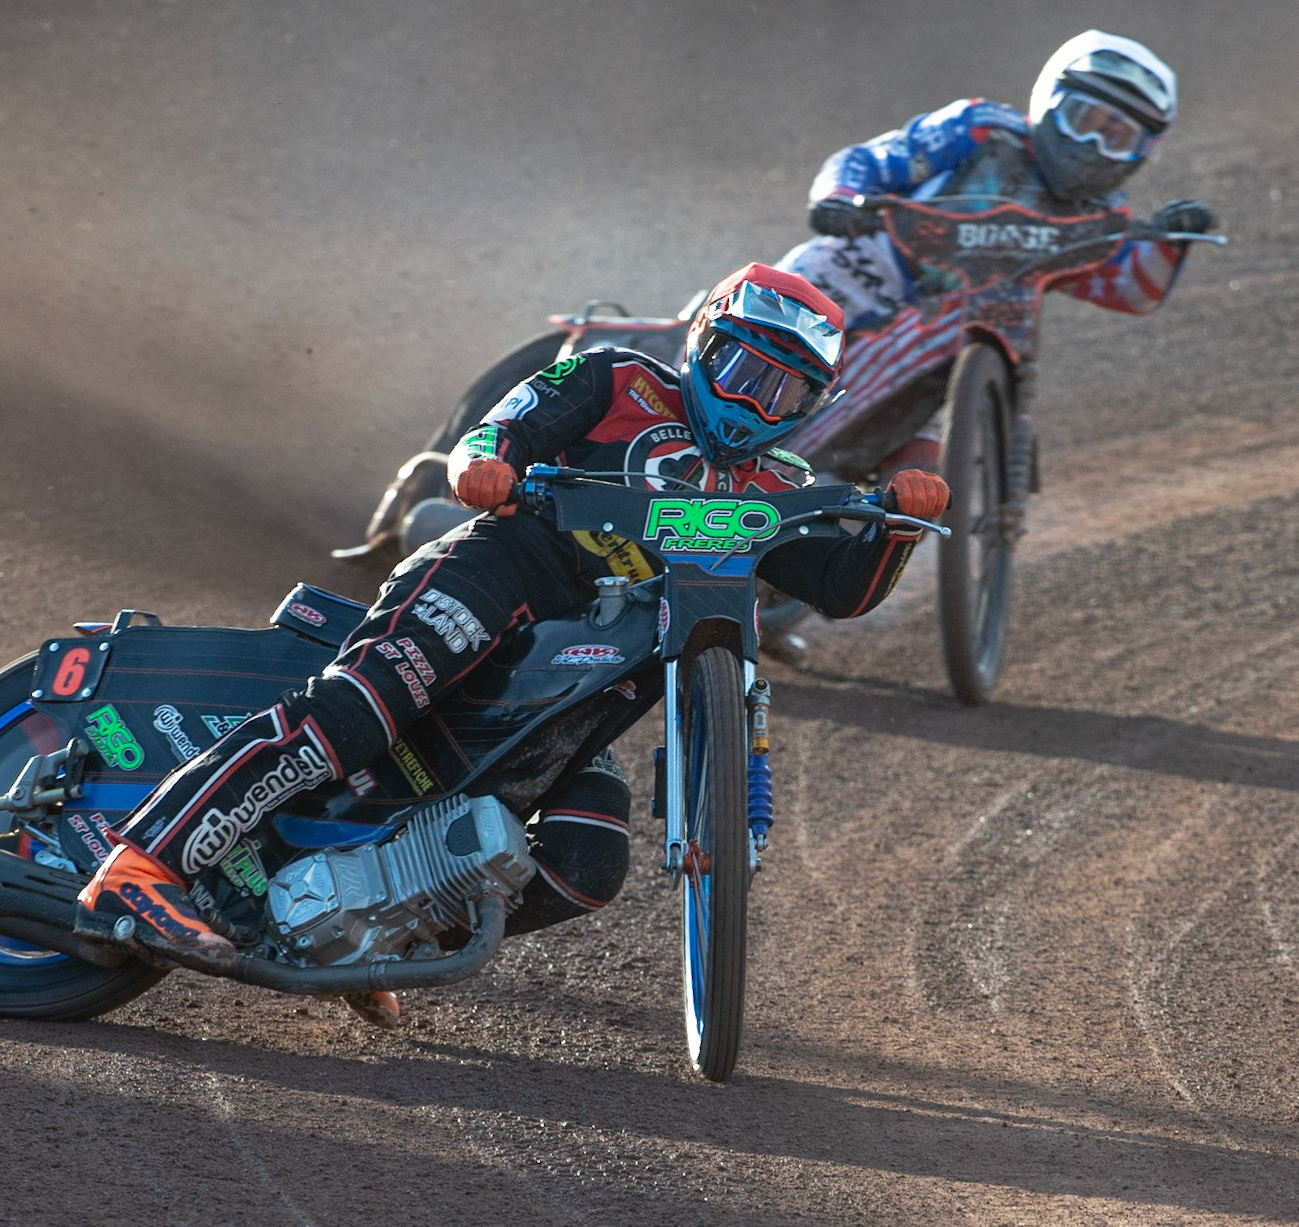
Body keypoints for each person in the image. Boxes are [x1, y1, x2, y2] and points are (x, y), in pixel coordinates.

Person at [73, 263, 950, 1025]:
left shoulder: (777, 485)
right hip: (498, 575)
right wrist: (480, 466)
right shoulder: (615, 378)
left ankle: (375, 936)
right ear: (701, 343)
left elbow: (841, 588)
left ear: (811, 406)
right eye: (742, 370)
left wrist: (900, 524)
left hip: (587, 679)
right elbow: (500, 432)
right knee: (360, 707)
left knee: (587, 860)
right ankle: (142, 861)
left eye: (784, 392)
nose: (756, 402)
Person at [776, 29, 1220, 478]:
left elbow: (1130, 290)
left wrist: (1170, 242)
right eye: (1083, 120)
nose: (1092, 146)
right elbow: (877, 158)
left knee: (922, 479)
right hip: (856, 271)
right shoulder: (981, 129)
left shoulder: (1099, 216)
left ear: (1143, 154)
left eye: (1118, 139)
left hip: (958, 335)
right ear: (1050, 101)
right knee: (767, 337)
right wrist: (840, 198)